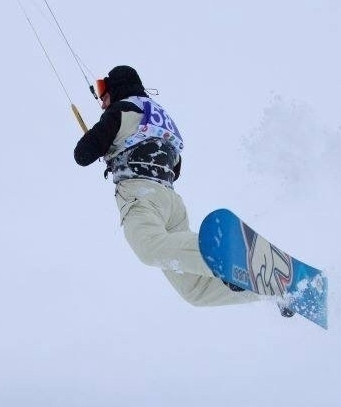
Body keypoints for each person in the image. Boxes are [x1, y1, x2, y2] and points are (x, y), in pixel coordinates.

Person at [73, 65, 266, 310]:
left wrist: (102, 144)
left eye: (102, 91)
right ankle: (271, 290)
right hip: (170, 202)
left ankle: (226, 256)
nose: (101, 101)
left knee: (148, 248)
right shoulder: (160, 118)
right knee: (195, 291)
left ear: (116, 88)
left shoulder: (120, 110)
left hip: (141, 196)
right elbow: (174, 167)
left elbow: (82, 155)